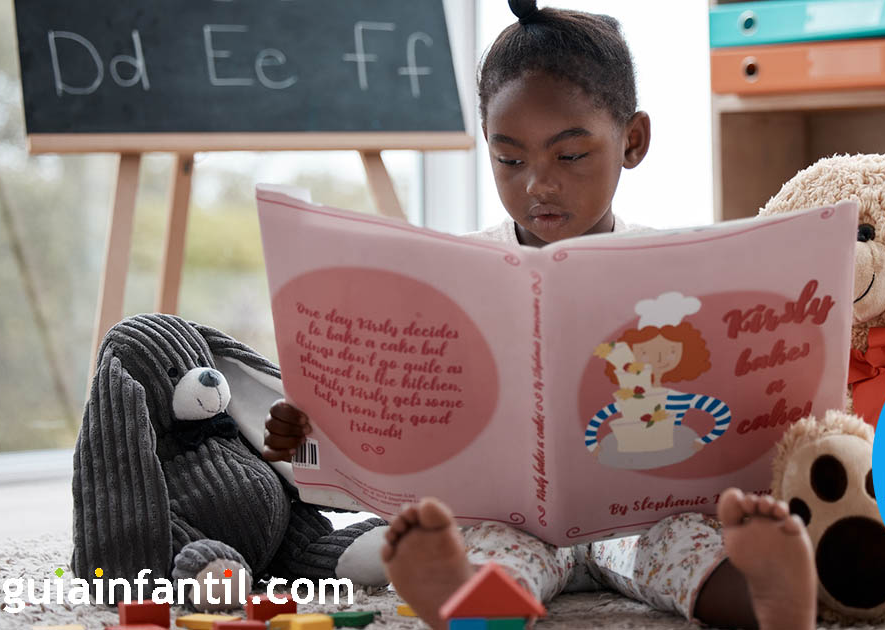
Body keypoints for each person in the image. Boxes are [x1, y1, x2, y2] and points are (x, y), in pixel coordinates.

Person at [264, 2, 815, 628]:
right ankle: (466, 601)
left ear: (632, 141)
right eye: (510, 159)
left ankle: (763, 597)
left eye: (570, 156)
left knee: (683, 542)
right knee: (492, 552)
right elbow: (392, 427)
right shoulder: (457, 276)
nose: (538, 185)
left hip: (640, 511)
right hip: (510, 520)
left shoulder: (678, 273)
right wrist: (319, 436)